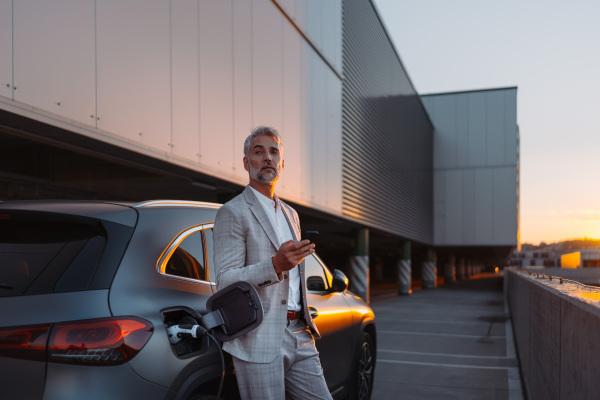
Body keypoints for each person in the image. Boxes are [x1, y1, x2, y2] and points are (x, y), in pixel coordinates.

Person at [213, 126, 332, 399]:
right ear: (247, 163)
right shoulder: (233, 211)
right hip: (259, 337)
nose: (267, 157)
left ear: (281, 162)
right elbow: (225, 281)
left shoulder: (291, 214)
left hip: (301, 333)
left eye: (273, 151)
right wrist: (275, 265)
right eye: (258, 151)